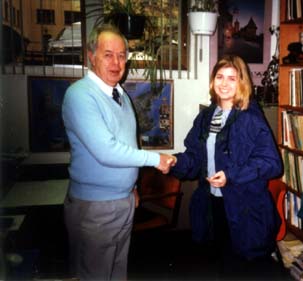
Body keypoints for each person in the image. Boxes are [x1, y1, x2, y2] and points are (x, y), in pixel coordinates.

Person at [62, 24, 175, 281]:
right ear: (91, 56)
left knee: (117, 273)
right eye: (108, 54)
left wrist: (132, 186)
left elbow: (129, 143)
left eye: (122, 55)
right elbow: (105, 151)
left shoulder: (120, 94)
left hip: (123, 201)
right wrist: (155, 160)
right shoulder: (80, 95)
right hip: (96, 208)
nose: (116, 62)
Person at [171, 55, 283, 278]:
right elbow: (195, 158)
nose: (224, 83)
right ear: (212, 82)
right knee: (219, 264)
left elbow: (272, 163)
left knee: (241, 267)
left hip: (244, 205)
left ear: (242, 83)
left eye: (232, 78)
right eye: (219, 77)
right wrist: (175, 162)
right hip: (213, 203)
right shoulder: (206, 116)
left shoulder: (250, 118)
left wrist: (231, 175)